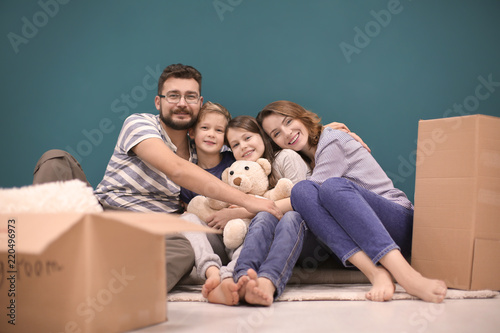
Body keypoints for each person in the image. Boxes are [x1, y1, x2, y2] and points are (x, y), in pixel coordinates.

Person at [32, 64, 282, 293]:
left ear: (200, 102)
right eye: (173, 95)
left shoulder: (206, 149)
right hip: (102, 215)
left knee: (186, 249)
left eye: (190, 97)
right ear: (158, 101)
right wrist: (248, 202)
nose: (182, 103)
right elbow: (176, 169)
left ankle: (114, 292)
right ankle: (48, 262)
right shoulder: (140, 124)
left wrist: (316, 135)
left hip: (153, 233)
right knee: (57, 160)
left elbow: (252, 149)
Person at [256, 100, 448, 303]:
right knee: (302, 190)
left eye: (288, 121)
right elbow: (304, 195)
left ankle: (407, 276)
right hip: (360, 237)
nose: (286, 133)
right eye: (276, 133)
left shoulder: (332, 140)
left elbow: (320, 185)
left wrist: (245, 208)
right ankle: (376, 273)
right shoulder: (307, 163)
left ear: (301, 117)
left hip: (399, 222)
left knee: (331, 187)